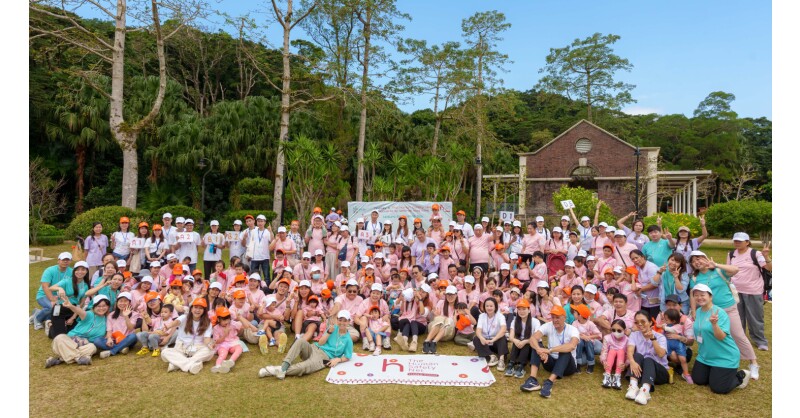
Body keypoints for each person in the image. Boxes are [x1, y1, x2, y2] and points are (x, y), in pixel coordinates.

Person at [688, 250, 759, 379]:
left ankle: (753, 363)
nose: (696, 262)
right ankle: (715, 359)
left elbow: (735, 269)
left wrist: (716, 265)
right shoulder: (694, 277)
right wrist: (693, 311)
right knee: (712, 335)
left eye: (698, 258)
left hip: (728, 308)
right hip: (709, 311)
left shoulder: (718, 271)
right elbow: (693, 295)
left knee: (738, 335)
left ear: (705, 258)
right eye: (693, 261)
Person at [690, 283, 752, 393]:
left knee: (719, 388)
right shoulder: (698, 312)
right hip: (705, 356)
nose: (699, 298)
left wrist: (714, 324)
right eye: (696, 295)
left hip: (724, 357)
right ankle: (714, 373)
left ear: (710, 296)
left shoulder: (720, 313)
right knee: (698, 380)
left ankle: (740, 376)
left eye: (702, 295)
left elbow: (721, 337)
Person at [258, 309, 354, 379]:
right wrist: (329, 332)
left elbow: (348, 356)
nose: (342, 323)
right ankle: (284, 366)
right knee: (300, 340)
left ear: (349, 322)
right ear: (337, 320)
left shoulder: (348, 339)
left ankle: (275, 370)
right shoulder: (332, 328)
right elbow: (321, 343)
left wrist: (338, 359)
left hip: (323, 357)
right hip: (314, 348)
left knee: (304, 367)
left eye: (345, 320)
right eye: (340, 320)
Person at [520, 305, 579, 398]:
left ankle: (549, 382)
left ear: (564, 318)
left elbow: (571, 346)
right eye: (553, 317)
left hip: (568, 367)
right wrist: (540, 350)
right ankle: (532, 379)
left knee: (565, 351)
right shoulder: (548, 325)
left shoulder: (573, 329)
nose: (554, 320)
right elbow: (532, 338)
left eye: (557, 317)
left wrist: (549, 350)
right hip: (550, 363)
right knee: (537, 345)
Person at [727, 232, 771, 351]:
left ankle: (760, 340)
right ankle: (739, 340)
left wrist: (766, 257)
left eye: (740, 241)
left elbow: (769, 268)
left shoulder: (756, 254)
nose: (737, 243)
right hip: (735, 291)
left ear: (747, 242)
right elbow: (728, 271)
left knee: (755, 317)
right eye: (735, 240)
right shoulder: (731, 254)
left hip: (753, 290)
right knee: (737, 318)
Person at [45, 295, 111, 368]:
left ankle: (60, 359)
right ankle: (78, 358)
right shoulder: (89, 315)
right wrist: (71, 306)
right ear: (94, 307)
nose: (101, 308)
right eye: (98, 306)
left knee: (92, 347)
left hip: (85, 345)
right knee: (59, 338)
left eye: (104, 306)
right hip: (70, 341)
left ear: (108, 307)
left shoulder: (107, 319)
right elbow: (80, 311)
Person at [161, 298, 215, 374]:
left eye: (200, 308)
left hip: (198, 347)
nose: (197, 310)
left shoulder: (207, 322)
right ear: (191, 308)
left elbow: (206, 338)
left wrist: (210, 345)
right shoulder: (184, 317)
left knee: (210, 351)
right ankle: (192, 364)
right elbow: (176, 322)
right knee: (164, 352)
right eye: (195, 307)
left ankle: (177, 364)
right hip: (181, 347)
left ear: (204, 311)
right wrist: (168, 326)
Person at [625, 311, 669, 406]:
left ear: (650, 322)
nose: (640, 324)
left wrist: (653, 338)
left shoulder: (660, 337)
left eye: (643, 321)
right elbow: (630, 351)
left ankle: (645, 391)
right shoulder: (634, 335)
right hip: (642, 371)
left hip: (659, 373)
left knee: (648, 359)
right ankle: (633, 386)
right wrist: (632, 362)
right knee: (636, 356)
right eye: (637, 322)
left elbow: (661, 354)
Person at [32, 252, 74, 330]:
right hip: (44, 295)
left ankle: (38, 313)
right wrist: (52, 299)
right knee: (52, 307)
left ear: (70, 261)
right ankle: (37, 319)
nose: (65, 261)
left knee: (59, 311)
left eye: (68, 260)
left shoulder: (72, 272)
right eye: (63, 260)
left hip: (60, 296)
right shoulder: (49, 270)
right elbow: (45, 286)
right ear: (58, 260)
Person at [505, 298, 540, 378]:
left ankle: (521, 365)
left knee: (527, 341)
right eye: (519, 309)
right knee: (517, 340)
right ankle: (511, 363)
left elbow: (536, 337)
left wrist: (525, 341)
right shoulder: (515, 321)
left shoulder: (535, 321)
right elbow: (511, 337)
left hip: (531, 347)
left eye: (524, 309)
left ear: (529, 310)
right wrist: (515, 340)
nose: (521, 311)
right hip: (519, 346)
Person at [473, 297, 508, 370]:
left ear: (495, 307)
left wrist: (493, 339)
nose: (489, 308)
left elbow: (503, 329)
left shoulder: (500, 316)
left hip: (496, 341)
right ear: (484, 307)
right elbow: (478, 330)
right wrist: (482, 338)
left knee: (502, 337)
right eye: (487, 306)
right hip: (485, 341)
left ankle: (501, 359)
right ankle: (492, 356)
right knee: (476, 339)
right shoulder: (481, 316)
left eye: (491, 306)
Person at [424, 285, 459, 354]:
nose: (450, 296)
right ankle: (427, 342)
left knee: (448, 321)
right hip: (435, 330)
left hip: (448, 333)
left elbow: (455, 325)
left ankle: (434, 342)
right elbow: (436, 319)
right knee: (440, 319)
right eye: (448, 294)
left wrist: (453, 317)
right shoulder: (441, 302)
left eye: (452, 294)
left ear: (456, 295)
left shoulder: (458, 307)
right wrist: (438, 316)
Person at [210, 306, 243, 374]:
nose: (227, 322)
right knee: (223, 353)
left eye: (228, 319)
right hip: (222, 344)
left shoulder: (232, 323)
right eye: (224, 320)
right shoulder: (216, 328)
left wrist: (240, 319)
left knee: (239, 348)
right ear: (218, 319)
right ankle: (218, 365)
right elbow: (217, 341)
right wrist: (225, 334)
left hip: (233, 342)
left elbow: (242, 327)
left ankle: (230, 361)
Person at [600, 319, 628, 389]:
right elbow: (604, 351)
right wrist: (604, 362)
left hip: (621, 365)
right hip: (608, 363)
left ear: (624, 330)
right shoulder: (607, 338)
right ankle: (607, 375)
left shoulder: (627, 340)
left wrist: (626, 365)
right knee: (612, 351)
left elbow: (628, 355)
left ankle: (617, 376)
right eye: (613, 330)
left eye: (619, 330)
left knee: (621, 351)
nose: (616, 332)